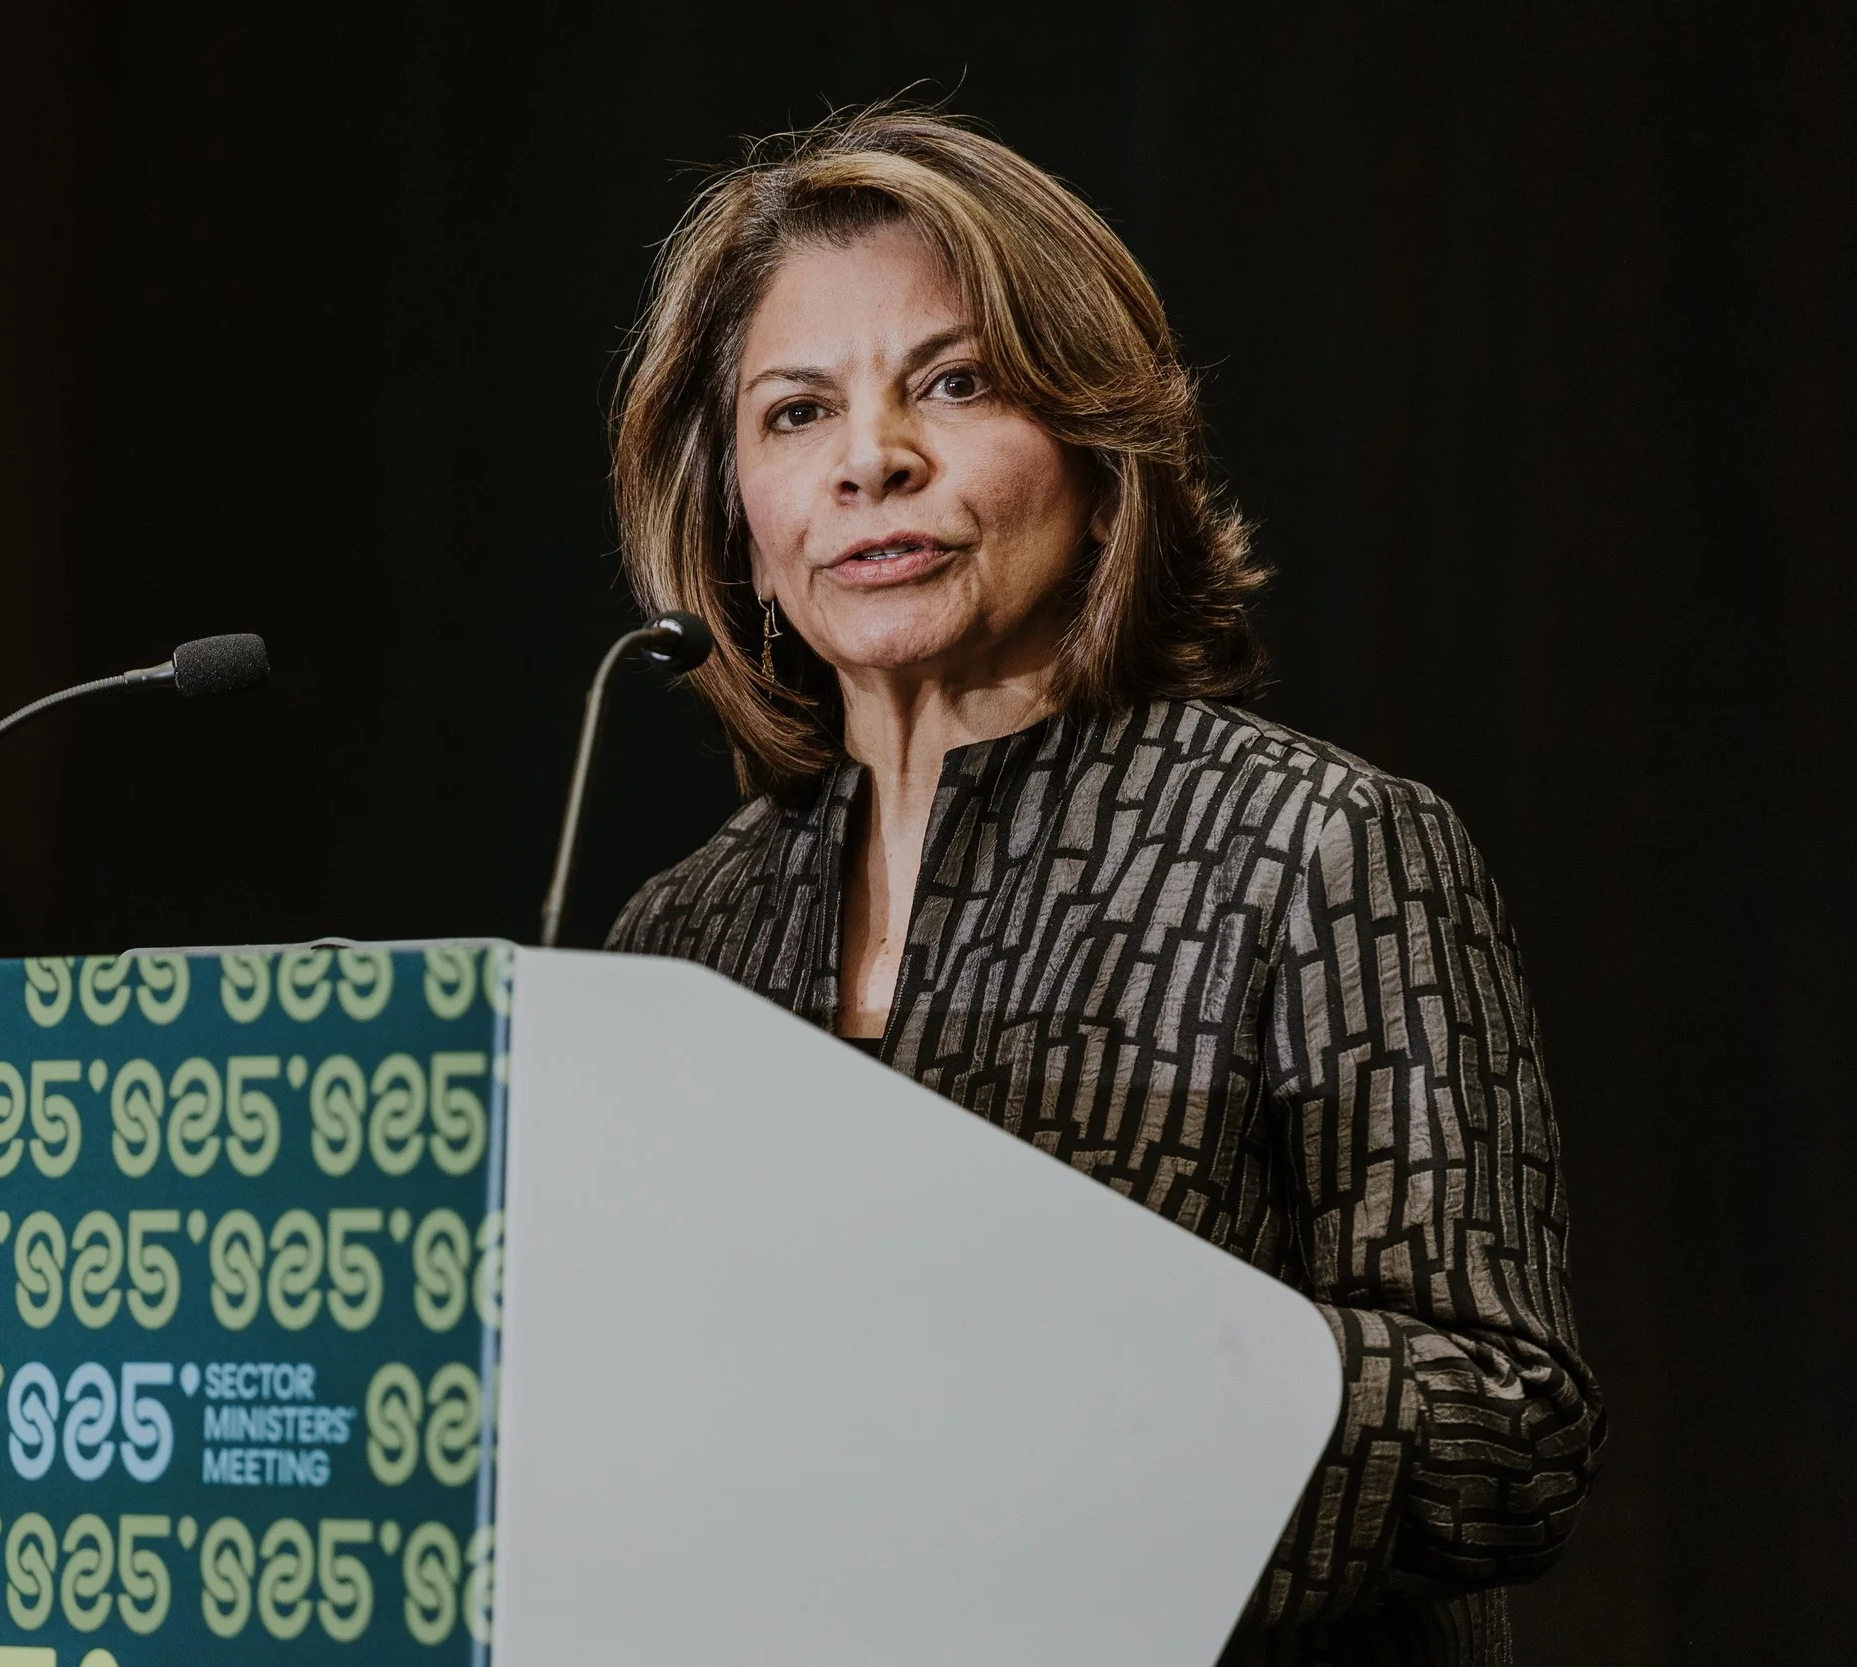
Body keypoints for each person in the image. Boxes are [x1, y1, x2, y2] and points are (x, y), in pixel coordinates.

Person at [604, 105, 1602, 1667]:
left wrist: (1085, 1413)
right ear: (732, 504)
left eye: (955, 383)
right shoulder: (679, 941)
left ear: (1094, 436)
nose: (874, 460)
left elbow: (1505, 1424)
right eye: (797, 414)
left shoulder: (1322, 852)